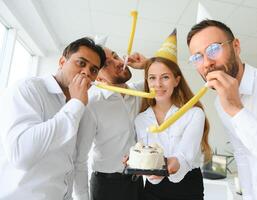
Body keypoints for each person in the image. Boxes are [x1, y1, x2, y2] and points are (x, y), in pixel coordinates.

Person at [187, 19, 257, 199]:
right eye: (197, 57)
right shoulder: (220, 102)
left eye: (214, 49)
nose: (207, 62)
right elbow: (243, 156)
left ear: (236, 46)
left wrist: (238, 111)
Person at [0, 37, 106, 199]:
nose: (86, 72)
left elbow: (75, 163)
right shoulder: (28, 89)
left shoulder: (82, 109)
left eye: (93, 70)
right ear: (62, 61)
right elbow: (21, 155)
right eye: (81, 63)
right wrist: (76, 104)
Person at [134, 29, 211, 200]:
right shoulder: (140, 120)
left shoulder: (194, 114)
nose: (158, 84)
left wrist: (173, 166)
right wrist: (143, 167)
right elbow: (147, 160)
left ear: (177, 81)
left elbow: (186, 156)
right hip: (153, 190)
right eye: (152, 78)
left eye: (165, 77)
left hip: (188, 188)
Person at [73, 47, 147, 200]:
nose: (119, 63)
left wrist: (147, 65)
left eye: (116, 56)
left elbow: (169, 80)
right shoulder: (93, 105)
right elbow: (80, 159)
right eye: (107, 64)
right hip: (107, 187)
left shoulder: (140, 92)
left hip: (137, 182)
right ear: (98, 78)